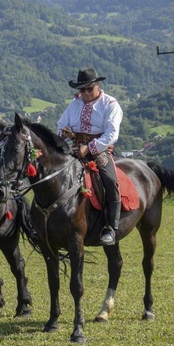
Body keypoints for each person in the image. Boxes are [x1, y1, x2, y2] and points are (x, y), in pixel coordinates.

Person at [57, 68, 123, 246]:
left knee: (109, 179)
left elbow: (111, 134)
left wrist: (90, 148)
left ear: (97, 85)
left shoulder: (110, 104)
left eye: (88, 89)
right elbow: (61, 124)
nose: (85, 93)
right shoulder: (74, 104)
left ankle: (111, 226)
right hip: (76, 147)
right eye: (82, 90)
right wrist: (63, 132)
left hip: (99, 149)